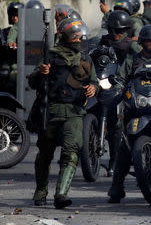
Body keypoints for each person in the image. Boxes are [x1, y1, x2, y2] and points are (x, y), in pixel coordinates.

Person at [28, 20, 98, 209]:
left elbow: (95, 81)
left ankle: (61, 194)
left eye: (79, 35)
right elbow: (33, 82)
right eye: (74, 35)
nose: (78, 38)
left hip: (74, 113)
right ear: (64, 36)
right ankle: (41, 191)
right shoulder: (51, 55)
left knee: (71, 152)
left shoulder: (85, 58)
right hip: (51, 112)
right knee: (44, 155)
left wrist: (93, 87)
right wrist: (42, 73)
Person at [107, 25, 151, 203]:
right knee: (123, 142)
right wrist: (117, 88)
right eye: (149, 41)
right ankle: (116, 186)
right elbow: (121, 79)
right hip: (136, 107)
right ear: (142, 42)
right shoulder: (133, 60)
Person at [98, 10, 140, 175]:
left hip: (127, 86)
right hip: (107, 83)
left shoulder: (132, 44)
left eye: (121, 30)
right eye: (114, 30)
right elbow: (92, 56)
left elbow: (143, 58)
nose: (117, 34)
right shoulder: (103, 41)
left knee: (125, 123)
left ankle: (123, 159)